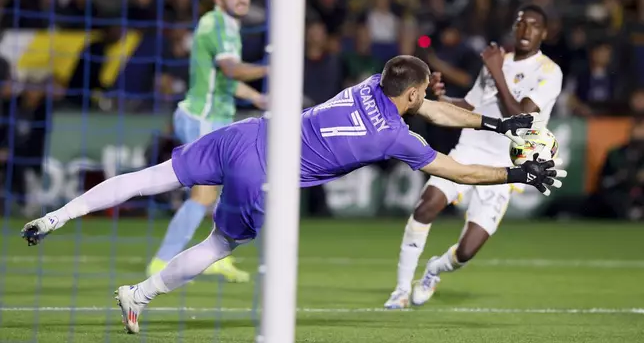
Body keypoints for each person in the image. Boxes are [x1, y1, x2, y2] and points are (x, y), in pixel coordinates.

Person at [21, 56, 565, 334]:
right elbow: (462, 172)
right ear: (415, 92)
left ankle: (60, 214)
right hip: (264, 171)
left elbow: (433, 108)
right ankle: (138, 296)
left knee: (153, 176)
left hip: (247, 133)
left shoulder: (369, 86)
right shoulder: (396, 136)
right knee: (221, 245)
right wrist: (521, 176)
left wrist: (500, 125)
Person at [384, 5, 564, 309]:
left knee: (466, 251)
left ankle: (432, 271)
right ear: (514, 27)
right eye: (521, 23)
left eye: (533, 25)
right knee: (427, 205)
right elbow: (469, 106)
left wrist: (496, 71)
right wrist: (441, 98)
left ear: (543, 33)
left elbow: (519, 116)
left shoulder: (550, 72)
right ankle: (400, 290)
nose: (525, 30)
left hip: (506, 165)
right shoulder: (496, 61)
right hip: (469, 150)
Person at [149, 0, 269, 283]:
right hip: (201, 118)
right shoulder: (216, 24)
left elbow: (224, 79)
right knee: (204, 194)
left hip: (214, 119)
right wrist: (273, 68)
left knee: (220, 193)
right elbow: (231, 69)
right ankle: (162, 261)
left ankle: (212, 256)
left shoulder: (227, 26)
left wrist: (257, 97)